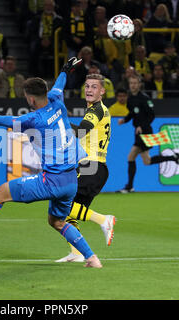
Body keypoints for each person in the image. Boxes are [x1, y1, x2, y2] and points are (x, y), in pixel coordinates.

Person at [0, 58, 103, 268]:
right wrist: (65, 70)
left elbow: (3, 121)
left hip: (51, 181)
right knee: (57, 222)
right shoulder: (57, 101)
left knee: (0, 193)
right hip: (71, 180)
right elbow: (59, 85)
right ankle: (92, 258)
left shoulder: (33, 120)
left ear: (31, 99)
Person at [56, 72, 116, 263]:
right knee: (67, 211)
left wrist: (60, 122)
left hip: (90, 166)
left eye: (94, 87)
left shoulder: (96, 110)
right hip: (95, 167)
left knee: (60, 205)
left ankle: (103, 220)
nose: (89, 90)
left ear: (102, 91)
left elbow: (81, 131)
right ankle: (77, 252)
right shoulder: (101, 110)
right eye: (87, 86)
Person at [117, 75, 179, 193]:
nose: (133, 85)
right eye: (131, 83)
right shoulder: (130, 99)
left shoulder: (144, 98)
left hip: (146, 132)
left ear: (139, 85)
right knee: (147, 161)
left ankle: (129, 187)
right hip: (138, 132)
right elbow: (133, 113)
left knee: (131, 157)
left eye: (135, 83)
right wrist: (125, 120)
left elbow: (151, 115)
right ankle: (174, 157)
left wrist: (141, 126)